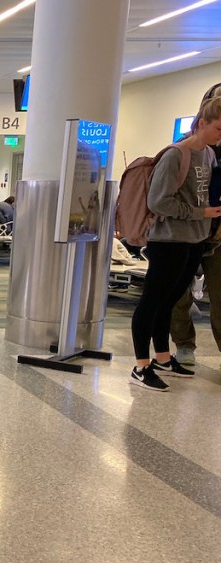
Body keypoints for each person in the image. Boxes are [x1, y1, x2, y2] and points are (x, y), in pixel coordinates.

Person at [129, 96, 221, 391]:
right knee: (152, 303)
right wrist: (200, 213)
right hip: (168, 240)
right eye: (219, 129)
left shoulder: (208, 154)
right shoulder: (175, 155)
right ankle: (141, 366)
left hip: (195, 239)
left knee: (168, 302)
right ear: (202, 123)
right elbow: (158, 201)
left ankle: (163, 357)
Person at [171, 82, 221, 367]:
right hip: (185, 231)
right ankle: (184, 343)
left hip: (216, 234)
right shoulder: (186, 148)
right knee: (179, 294)